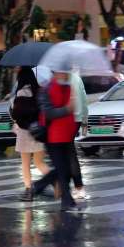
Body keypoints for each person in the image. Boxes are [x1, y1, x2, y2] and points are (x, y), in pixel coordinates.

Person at [32, 64, 79, 211]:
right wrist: (67, 109)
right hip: (53, 135)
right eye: (63, 71)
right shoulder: (46, 89)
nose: (65, 74)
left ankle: (39, 185)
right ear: (56, 72)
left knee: (66, 170)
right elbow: (48, 113)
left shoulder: (68, 87)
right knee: (62, 169)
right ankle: (67, 201)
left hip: (67, 134)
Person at [10, 67, 50, 201]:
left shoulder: (21, 93)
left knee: (25, 164)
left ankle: (28, 191)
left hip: (24, 132)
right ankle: (57, 184)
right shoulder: (40, 91)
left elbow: (16, 113)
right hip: (38, 131)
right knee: (39, 162)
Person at [69, 71, 88, 199]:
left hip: (66, 119)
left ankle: (78, 186)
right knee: (68, 152)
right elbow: (84, 99)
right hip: (77, 119)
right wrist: (85, 121)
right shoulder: (77, 78)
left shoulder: (59, 80)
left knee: (68, 154)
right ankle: (77, 186)